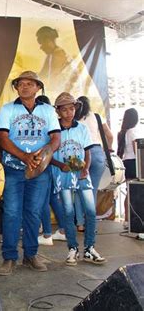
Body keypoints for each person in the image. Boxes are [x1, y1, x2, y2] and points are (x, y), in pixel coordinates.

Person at [0, 71, 61, 276]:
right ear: (16, 88)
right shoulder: (8, 109)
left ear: (38, 88)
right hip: (14, 168)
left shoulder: (48, 110)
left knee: (33, 213)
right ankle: (9, 257)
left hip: (40, 171)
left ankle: (31, 255)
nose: (25, 87)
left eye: (30, 84)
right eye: (21, 84)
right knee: (12, 213)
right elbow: (2, 138)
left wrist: (44, 155)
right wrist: (24, 156)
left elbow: (56, 138)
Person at [51, 92, 106, 265]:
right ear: (58, 111)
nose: (69, 112)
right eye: (64, 109)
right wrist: (61, 166)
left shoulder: (82, 128)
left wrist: (86, 168)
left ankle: (89, 248)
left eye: (72, 108)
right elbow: (48, 155)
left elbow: (87, 151)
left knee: (90, 211)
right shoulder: (53, 130)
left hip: (82, 175)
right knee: (68, 212)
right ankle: (72, 248)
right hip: (64, 175)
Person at [74, 96, 113, 231]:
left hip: (80, 153)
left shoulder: (74, 119)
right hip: (97, 152)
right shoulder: (97, 117)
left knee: (79, 190)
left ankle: (80, 223)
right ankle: (91, 225)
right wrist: (107, 148)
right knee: (92, 190)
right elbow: (110, 135)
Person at [34, 95, 66, 246]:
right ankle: (63, 229)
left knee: (43, 201)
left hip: (47, 167)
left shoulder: (45, 125)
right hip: (54, 168)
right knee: (54, 199)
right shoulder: (57, 125)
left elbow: (48, 151)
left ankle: (47, 234)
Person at [117, 108, 140, 225]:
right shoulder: (132, 132)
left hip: (126, 162)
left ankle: (127, 219)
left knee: (129, 192)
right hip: (134, 163)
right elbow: (137, 150)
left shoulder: (123, 132)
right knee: (135, 192)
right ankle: (132, 220)